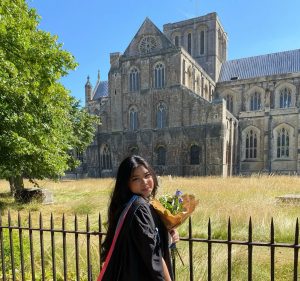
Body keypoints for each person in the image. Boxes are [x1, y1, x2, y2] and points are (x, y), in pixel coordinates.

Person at [99, 155, 179, 281]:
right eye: (136, 179)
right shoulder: (139, 209)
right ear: (126, 183)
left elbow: (143, 241)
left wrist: (168, 233)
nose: (145, 182)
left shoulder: (130, 205)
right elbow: (154, 255)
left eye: (147, 176)